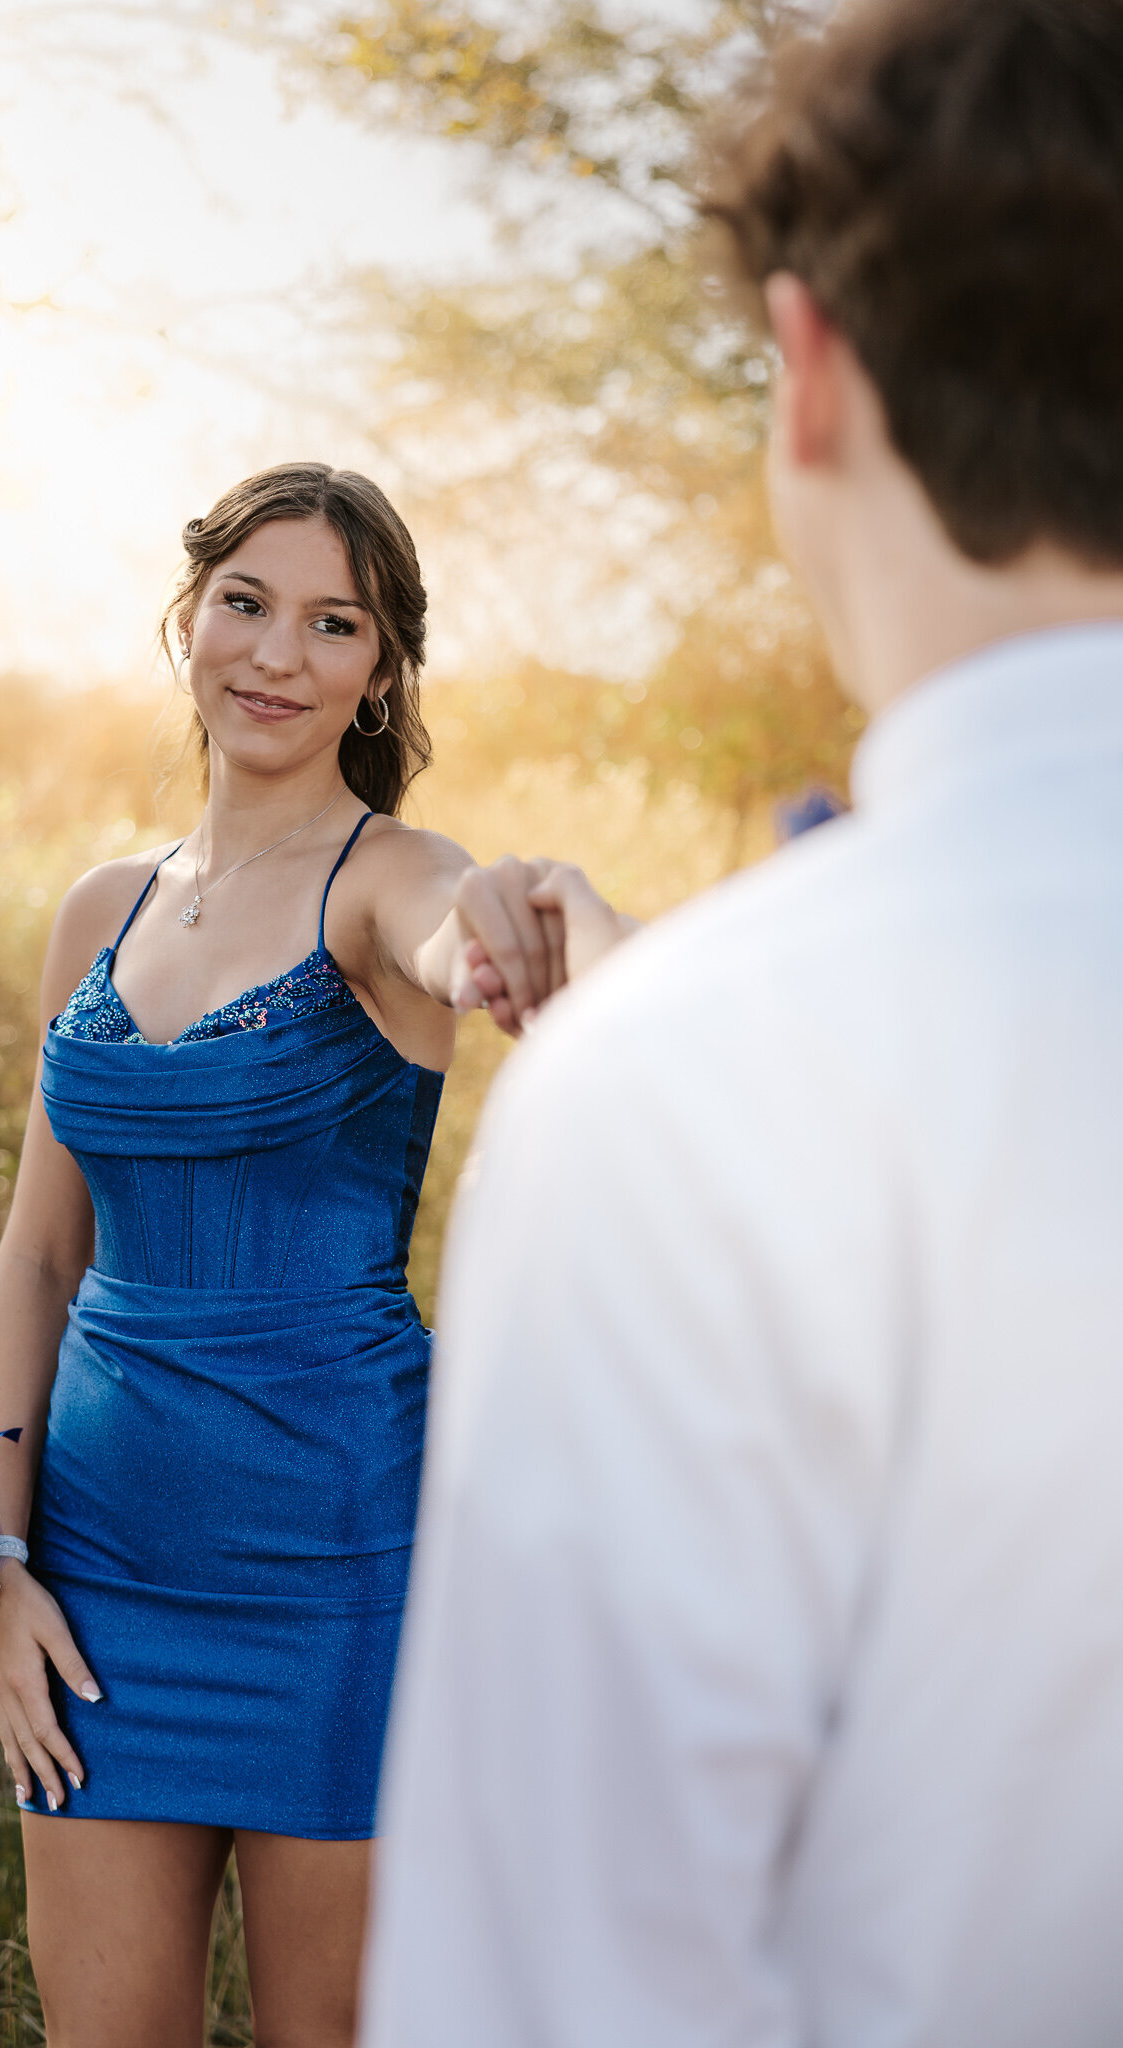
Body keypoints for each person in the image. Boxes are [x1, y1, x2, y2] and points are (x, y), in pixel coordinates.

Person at [361, 2, 1123, 2043]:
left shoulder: (684, 1097)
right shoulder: (688, 1055)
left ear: (804, 366)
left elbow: (555, 1991)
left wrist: (662, 1031)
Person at [0, 461, 618, 2048]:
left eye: (335, 624)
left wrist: (538, 918)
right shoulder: (97, 912)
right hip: (102, 1573)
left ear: (382, 668)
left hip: (341, 1576)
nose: (276, 654)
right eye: (247, 604)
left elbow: (457, 931)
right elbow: (38, 1260)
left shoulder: (385, 880)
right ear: (189, 616)